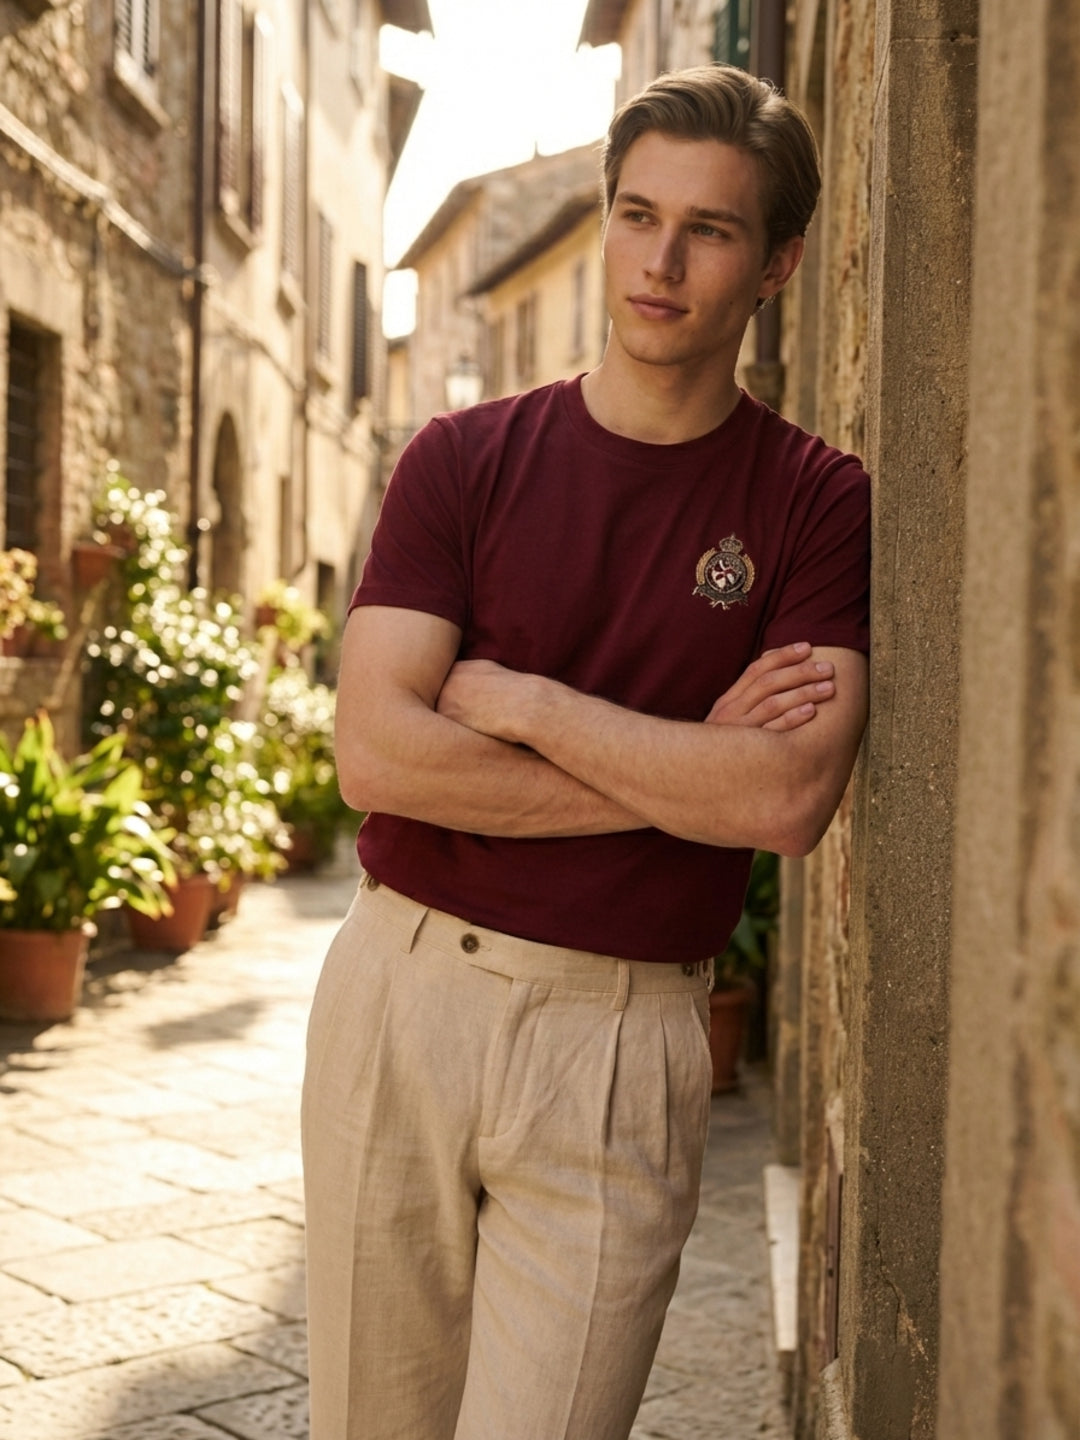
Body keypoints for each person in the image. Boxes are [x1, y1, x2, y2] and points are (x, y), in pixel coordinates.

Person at [302, 63, 870, 1440]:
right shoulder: (461, 458)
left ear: (779, 263)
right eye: (634, 214)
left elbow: (785, 796)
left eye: (710, 231)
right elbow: (378, 758)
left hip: (622, 1040)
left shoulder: (815, 503)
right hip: (404, 998)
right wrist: (681, 775)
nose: (659, 262)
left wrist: (523, 702)